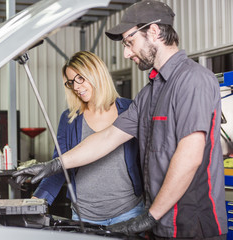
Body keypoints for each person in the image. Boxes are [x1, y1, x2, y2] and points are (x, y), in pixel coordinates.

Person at [13, 1, 228, 239]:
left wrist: (149, 216)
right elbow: (108, 137)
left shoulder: (193, 80)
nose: (126, 53)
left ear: (154, 32)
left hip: (192, 224)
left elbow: (190, 156)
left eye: (129, 42)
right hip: (161, 224)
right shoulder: (148, 94)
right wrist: (54, 165)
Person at [22, 51, 144, 226]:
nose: (76, 87)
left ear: (96, 74)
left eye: (80, 79)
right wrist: (34, 203)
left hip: (128, 212)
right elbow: (59, 166)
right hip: (84, 215)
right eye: (71, 82)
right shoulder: (69, 119)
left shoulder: (129, 110)